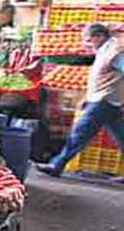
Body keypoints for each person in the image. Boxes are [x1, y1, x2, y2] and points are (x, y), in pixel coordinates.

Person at [37, 23, 124, 177]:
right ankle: (57, 165)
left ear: (100, 37)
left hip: (103, 100)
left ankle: (57, 165)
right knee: (121, 136)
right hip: (106, 100)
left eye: (90, 40)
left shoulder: (114, 52)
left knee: (79, 134)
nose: (88, 45)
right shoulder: (105, 50)